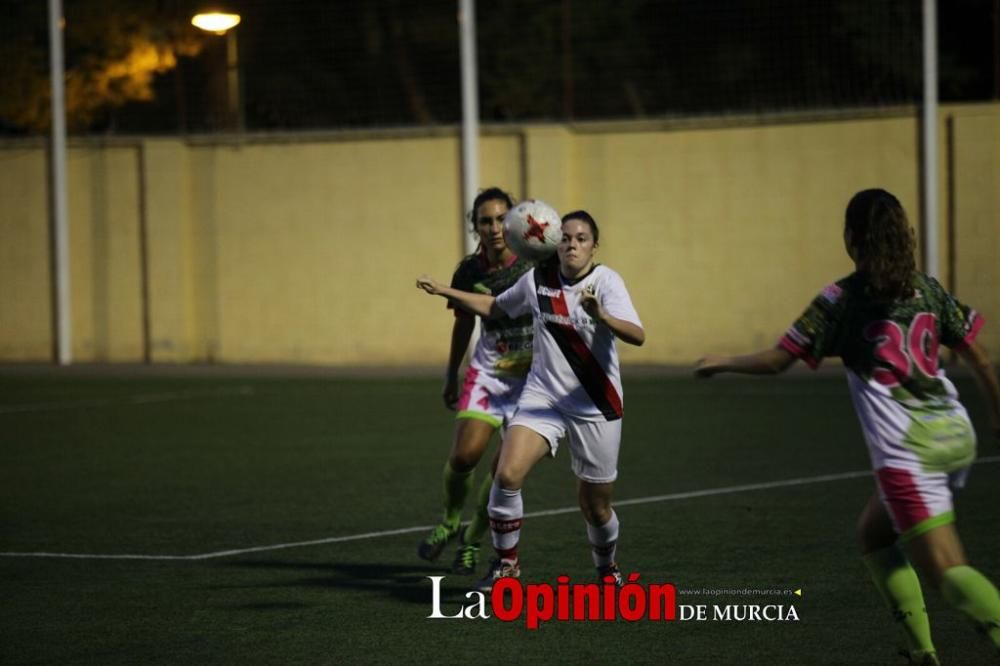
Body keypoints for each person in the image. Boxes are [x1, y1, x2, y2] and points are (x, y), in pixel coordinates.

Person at [695, 188, 1000, 665]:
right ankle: (922, 653)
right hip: (955, 432)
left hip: (909, 451)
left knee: (947, 570)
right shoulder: (928, 288)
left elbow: (779, 360)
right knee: (873, 535)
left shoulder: (841, 299)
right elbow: (977, 353)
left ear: (851, 238)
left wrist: (724, 362)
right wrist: (998, 411)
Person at [417, 210, 645, 592]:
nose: (573, 244)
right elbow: (495, 307)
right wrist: (444, 290)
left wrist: (601, 315)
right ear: (555, 243)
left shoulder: (606, 282)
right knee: (506, 475)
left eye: (582, 238)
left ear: (594, 246)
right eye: (567, 237)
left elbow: (637, 335)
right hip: (543, 399)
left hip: (596, 405)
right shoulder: (537, 279)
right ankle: (507, 568)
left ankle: (607, 568)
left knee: (596, 506)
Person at [417, 187, 534, 576]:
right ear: (476, 226)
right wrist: (452, 373)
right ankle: (450, 522)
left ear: (514, 221)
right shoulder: (469, 271)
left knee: (504, 474)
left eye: (502, 218)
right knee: (465, 456)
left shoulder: (536, 263)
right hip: (488, 374)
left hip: (532, 384)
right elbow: (462, 324)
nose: (495, 227)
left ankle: (472, 541)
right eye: (486, 220)